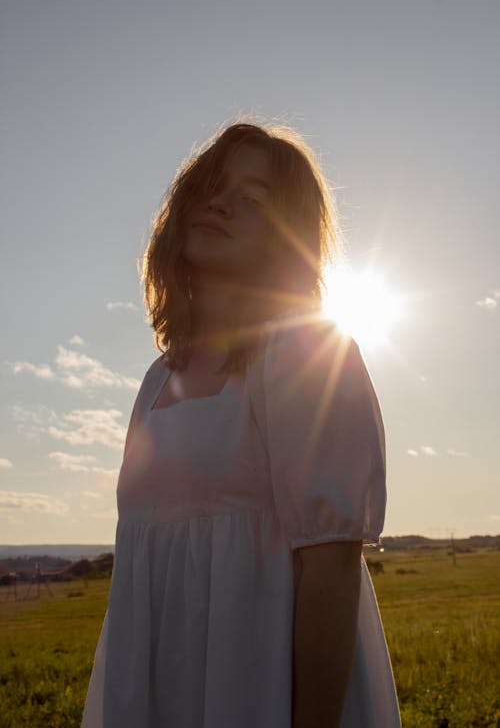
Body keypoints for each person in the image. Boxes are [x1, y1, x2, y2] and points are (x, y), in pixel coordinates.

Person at [81, 120, 401, 727]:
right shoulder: (158, 378)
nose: (221, 203)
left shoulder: (306, 351)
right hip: (163, 691)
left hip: (263, 694)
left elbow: (330, 567)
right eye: (212, 188)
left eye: (252, 200)